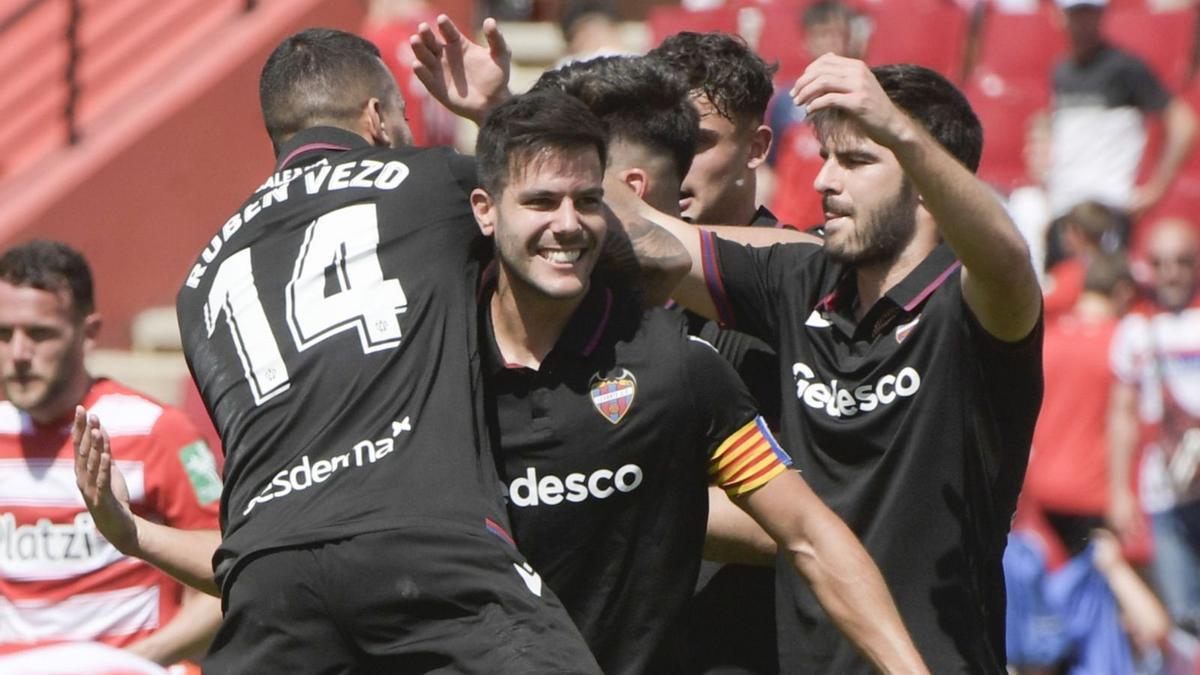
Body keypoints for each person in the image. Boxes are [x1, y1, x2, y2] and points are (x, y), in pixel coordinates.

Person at [115, 28, 608, 673]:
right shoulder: (434, 182)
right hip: (421, 541)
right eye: (403, 113)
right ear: (377, 117)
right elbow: (568, 227)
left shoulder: (199, 279)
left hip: (266, 576)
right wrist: (495, 111)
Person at [626, 55, 1045, 671]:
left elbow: (1009, 264)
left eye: (855, 160)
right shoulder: (803, 281)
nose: (823, 182)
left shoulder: (969, 308)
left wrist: (899, 129)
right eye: (825, 157)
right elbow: (647, 239)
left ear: (928, 180)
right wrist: (509, 117)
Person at [0, 241, 221, 667]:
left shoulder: (158, 431)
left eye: (40, 333)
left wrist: (135, 661)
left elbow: (228, 566)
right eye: (4, 334)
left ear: (89, 333)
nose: (19, 355)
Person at [1109, 218, 1200, 635]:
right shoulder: (1134, 332)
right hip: (1164, 493)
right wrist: (1119, 492)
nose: (1172, 273)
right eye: (1161, 262)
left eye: (1183, 261)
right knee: (1181, 618)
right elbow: (1122, 415)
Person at [1047, 0, 1196, 219]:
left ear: (1102, 15)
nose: (1082, 23)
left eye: (1089, 13)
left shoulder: (1126, 67)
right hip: (1062, 201)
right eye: (1076, 14)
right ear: (1060, 17)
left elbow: (1183, 123)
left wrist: (1156, 189)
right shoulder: (1060, 72)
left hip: (1108, 204)